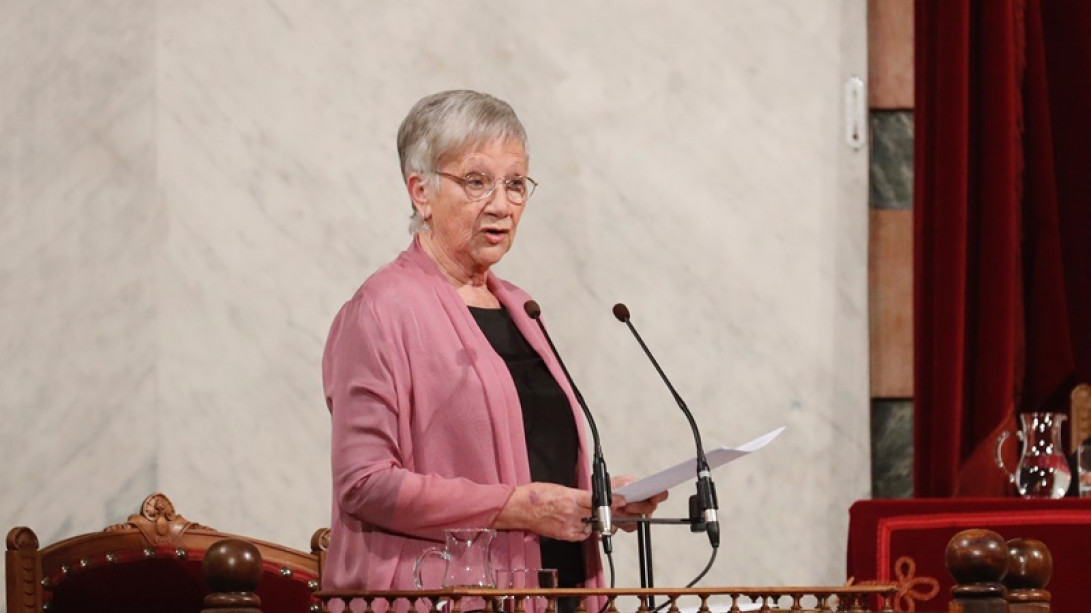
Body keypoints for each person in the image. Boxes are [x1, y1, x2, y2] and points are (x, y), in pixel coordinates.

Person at [322, 90, 666, 598]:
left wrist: (595, 502)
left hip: (555, 591)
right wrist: (516, 507)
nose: (502, 205)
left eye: (515, 184)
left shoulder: (521, 309)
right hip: (439, 597)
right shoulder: (381, 310)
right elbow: (364, 484)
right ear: (421, 192)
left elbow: (527, 461)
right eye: (477, 182)